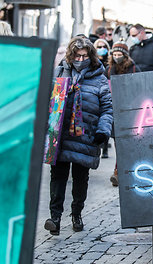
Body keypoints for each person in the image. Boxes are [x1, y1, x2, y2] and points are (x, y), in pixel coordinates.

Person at [44, 36, 113, 235]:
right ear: (70, 55)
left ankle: (77, 214)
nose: (80, 59)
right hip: (61, 136)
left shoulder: (100, 78)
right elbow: (48, 100)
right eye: (77, 55)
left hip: (86, 135)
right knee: (57, 177)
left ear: (90, 56)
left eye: (84, 56)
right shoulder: (60, 72)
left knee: (80, 178)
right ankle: (54, 217)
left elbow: (107, 109)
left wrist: (103, 131)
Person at [104, 41, 140, 187]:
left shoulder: (133, 69)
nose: (117, 57)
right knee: (118, 143)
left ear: (125, 56)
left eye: (120, 54)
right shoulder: (108, 69)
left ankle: (120, 172)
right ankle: (119, 172)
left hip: (130, 110)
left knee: (127, 144)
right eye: (115, 54)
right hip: (114, 111)